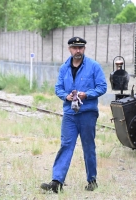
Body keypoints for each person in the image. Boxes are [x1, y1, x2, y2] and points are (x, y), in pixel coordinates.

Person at [40, 36, 107, 193]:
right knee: (66, 145)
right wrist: (66, 96)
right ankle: (56, 182)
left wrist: (87, 94)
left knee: (88, 147)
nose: (78, 51)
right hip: (70, 113)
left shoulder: (94, 66)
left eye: (81, 48)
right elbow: (58, 88)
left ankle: (92, 181)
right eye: (75, 48)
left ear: (84, 49)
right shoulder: (64, 68)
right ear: (69, 49)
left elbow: (102, 87)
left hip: (87, 113)